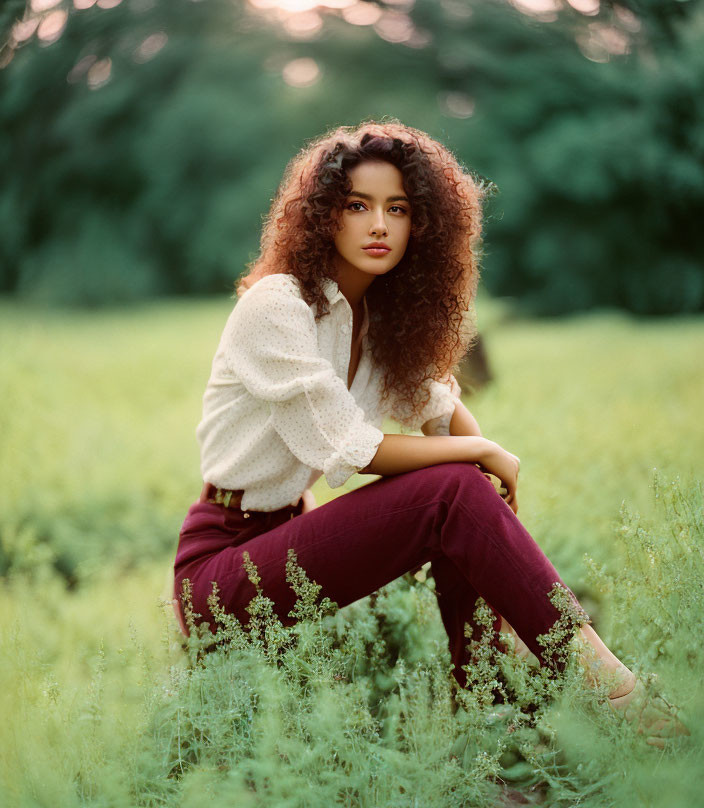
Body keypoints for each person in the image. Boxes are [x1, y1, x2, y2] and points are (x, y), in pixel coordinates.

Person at [173, 119, 684, 747]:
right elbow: (351, 448)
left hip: (289, 540)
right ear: (324, 216)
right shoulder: (278, 305)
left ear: (424, 227)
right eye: (357, 206)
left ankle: (487, 707)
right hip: (222, 570)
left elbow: (441, 413)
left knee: (460, 489)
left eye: (399, 209)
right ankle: (617, 698)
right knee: (451, 489)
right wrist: (483, 454)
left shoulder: (379, 319)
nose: (379, 225)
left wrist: (480, 464)